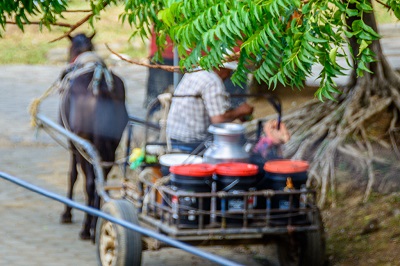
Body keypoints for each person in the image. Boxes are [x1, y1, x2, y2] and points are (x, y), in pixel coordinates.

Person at [166, 63, 254, 153]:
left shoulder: (196, 71)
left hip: (174, 136)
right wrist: (240, 111)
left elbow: (210, 107)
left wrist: (235, 114)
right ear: (222, 69)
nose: (228, 76)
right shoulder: (213, 81)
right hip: (193, 142)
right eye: (229, 72)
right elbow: (218, 119)